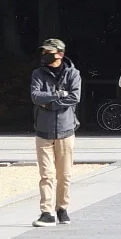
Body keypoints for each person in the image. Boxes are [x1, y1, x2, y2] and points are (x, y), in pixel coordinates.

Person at [29, 38, 81, 227]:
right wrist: (59, 95)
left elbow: (75, 97)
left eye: (49, 52)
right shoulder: (37, 74)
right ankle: (46, 212)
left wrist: (48, 103)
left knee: (65, 174)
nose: (45, 55)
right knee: (46, 174)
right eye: (43, 52)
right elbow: (35, 96)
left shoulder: (73, 74)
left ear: (60, 53)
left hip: (66, 130)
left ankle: (62, 208)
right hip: (43, 131)